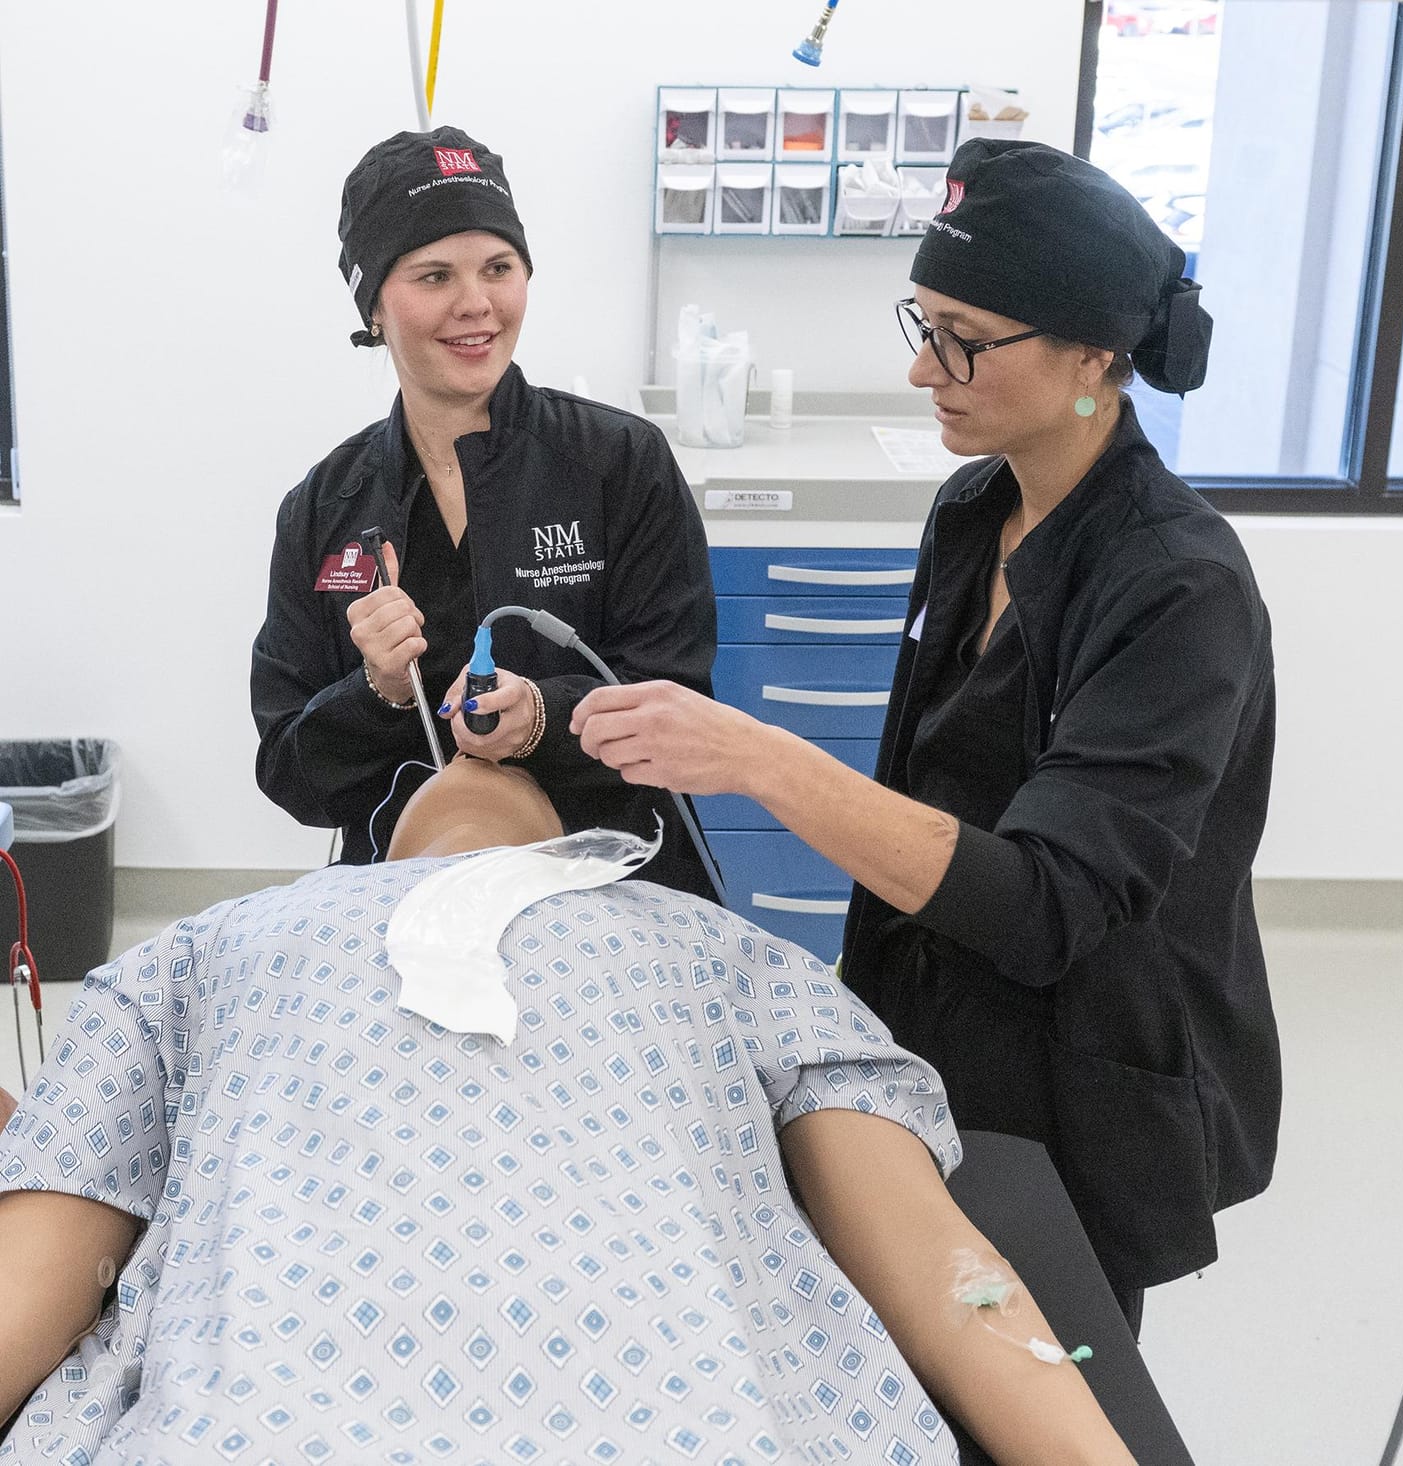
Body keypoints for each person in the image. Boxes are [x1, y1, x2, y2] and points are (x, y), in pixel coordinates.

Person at [570, 139, 1281, 1331]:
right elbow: (928, 792)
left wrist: (758, 757)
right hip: (936, 1037)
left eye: (962, 336)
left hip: (1077, 1084)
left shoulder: (1175, 587)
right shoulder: (974, 507)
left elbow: (1048, 903)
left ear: (1091, 355)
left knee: (1042, 1368)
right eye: (924, 320)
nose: (920, 367)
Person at [0, 756, 1134, 1465]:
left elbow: (41, 1268)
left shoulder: (211, 940)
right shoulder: (722, 944)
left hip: (264, 1418)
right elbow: (945, 1266)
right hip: (692, 1418)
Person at [251, 126, 717, 894]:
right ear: (374, 307)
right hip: (404, 896)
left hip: (614, 896)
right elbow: (291, 775)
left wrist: (543, 715)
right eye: (434, 276)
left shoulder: (620, 466)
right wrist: (378, 692)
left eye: (498, 268)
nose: (477, 305)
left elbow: (683, 709)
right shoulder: (323, 508)